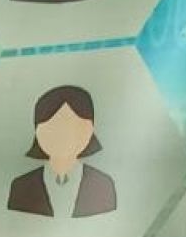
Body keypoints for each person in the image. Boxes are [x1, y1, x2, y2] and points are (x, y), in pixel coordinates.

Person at [6, 83, 116, 219]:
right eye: (53, 127)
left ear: (90, 131)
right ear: (37, 132)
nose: (63, 136)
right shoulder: (21, 187)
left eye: (73, 127)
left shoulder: (103, 184)